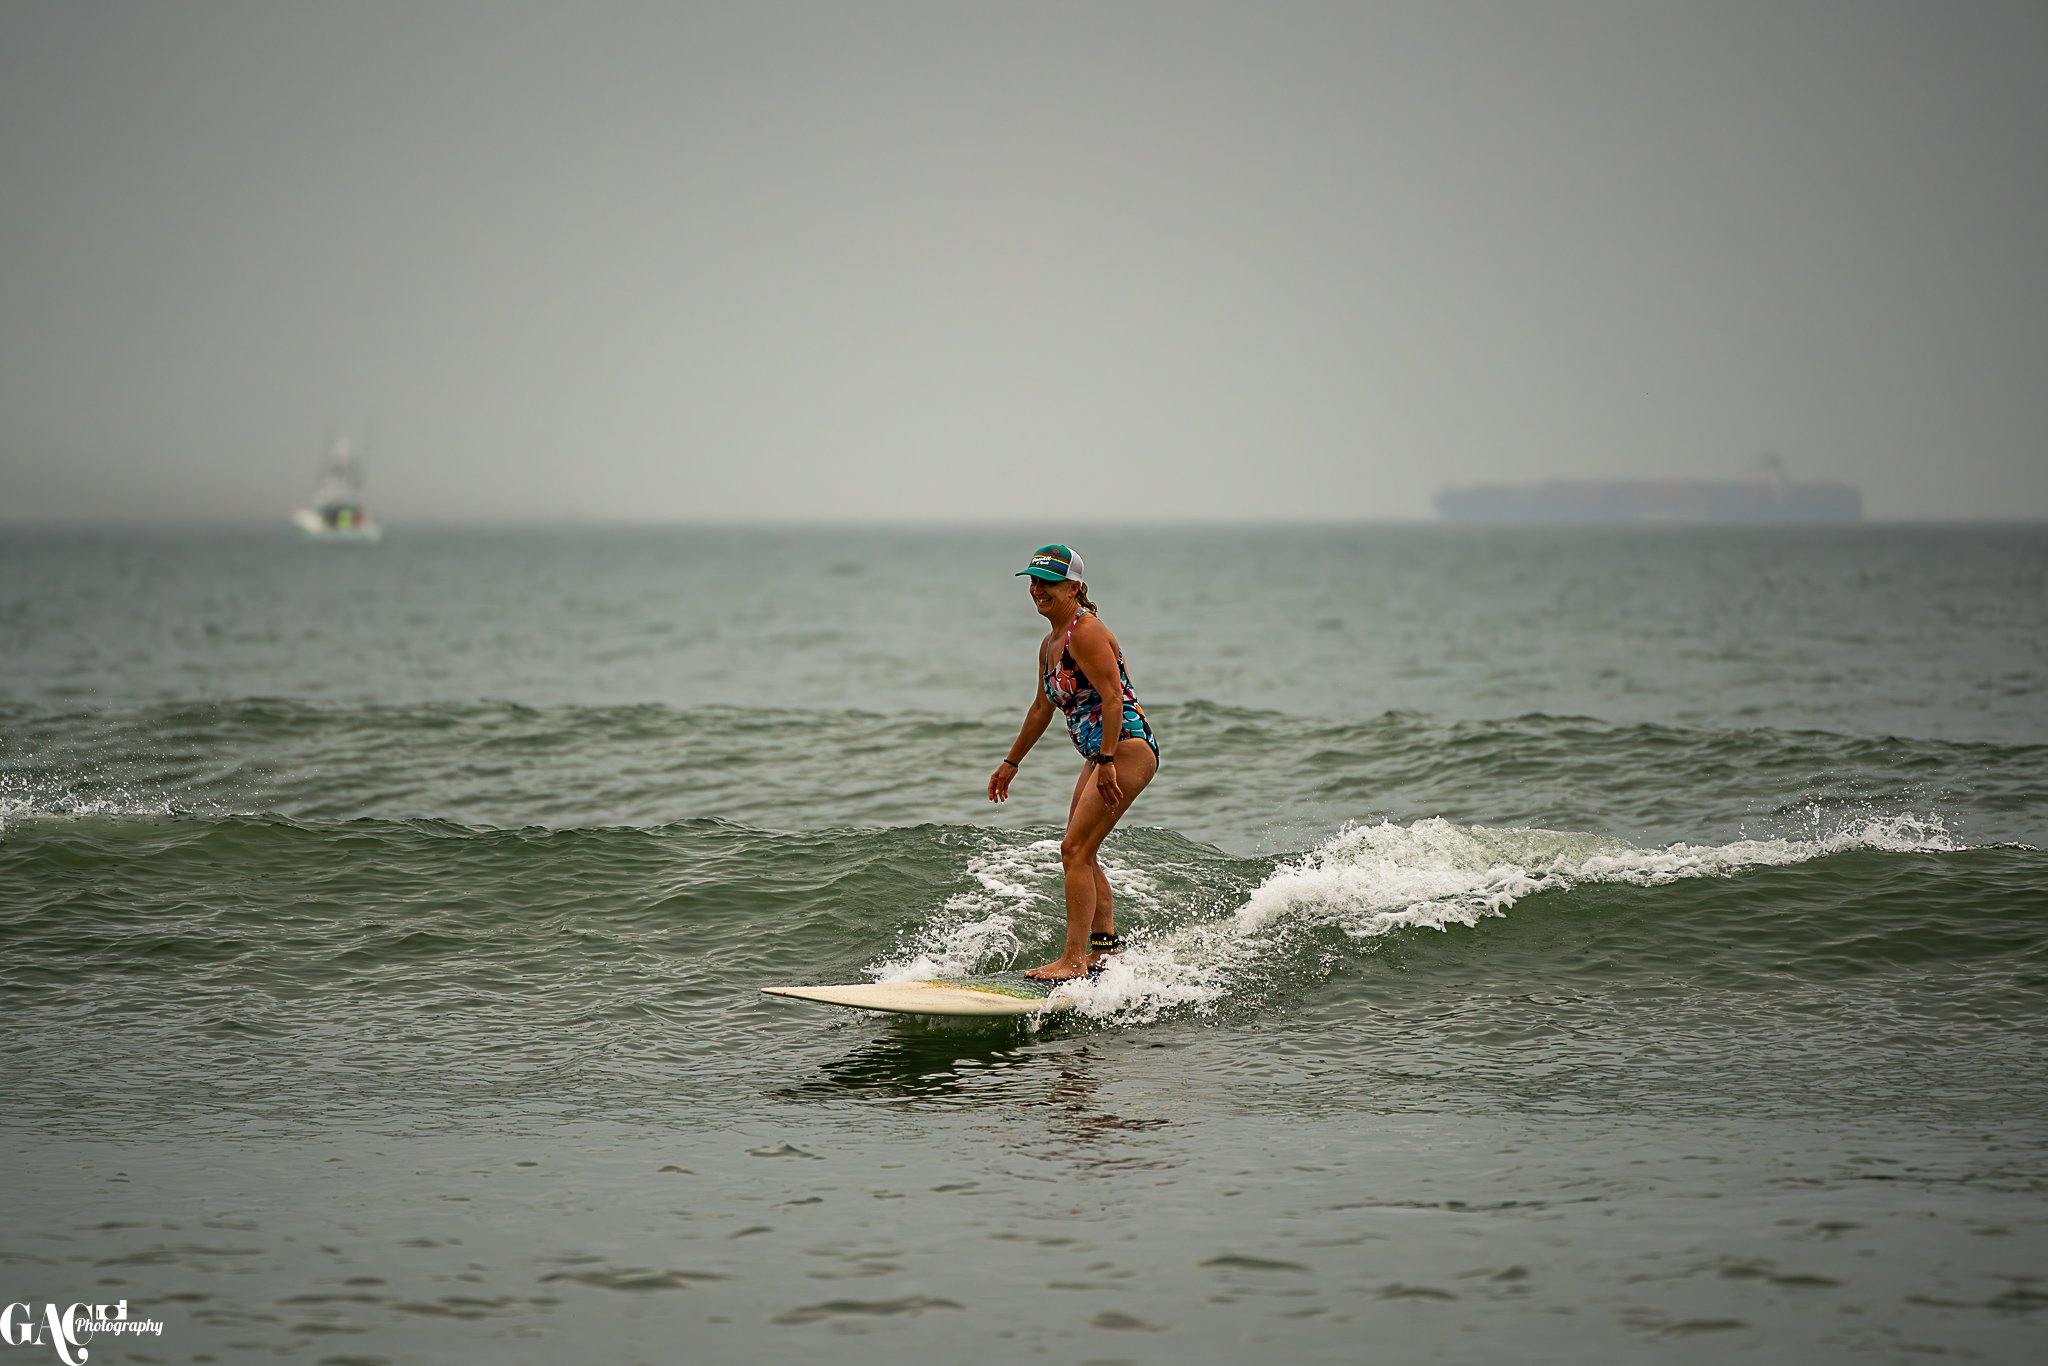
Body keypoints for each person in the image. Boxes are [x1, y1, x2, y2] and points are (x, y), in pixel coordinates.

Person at [987, 544, 1159, 981]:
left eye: (1048, 582)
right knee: (1082, 849)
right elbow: (1041, 709)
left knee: (1074, 850)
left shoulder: (1086, 632)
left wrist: (1105, 762)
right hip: (1101, 752)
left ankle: (1073, 962)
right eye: (1033, 581)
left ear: (1075, 587)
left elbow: (1113, 697)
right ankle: (1106, 950)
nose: (1038, 589)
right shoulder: (1049, 645)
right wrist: (1011, 763)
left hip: (1124, 746)